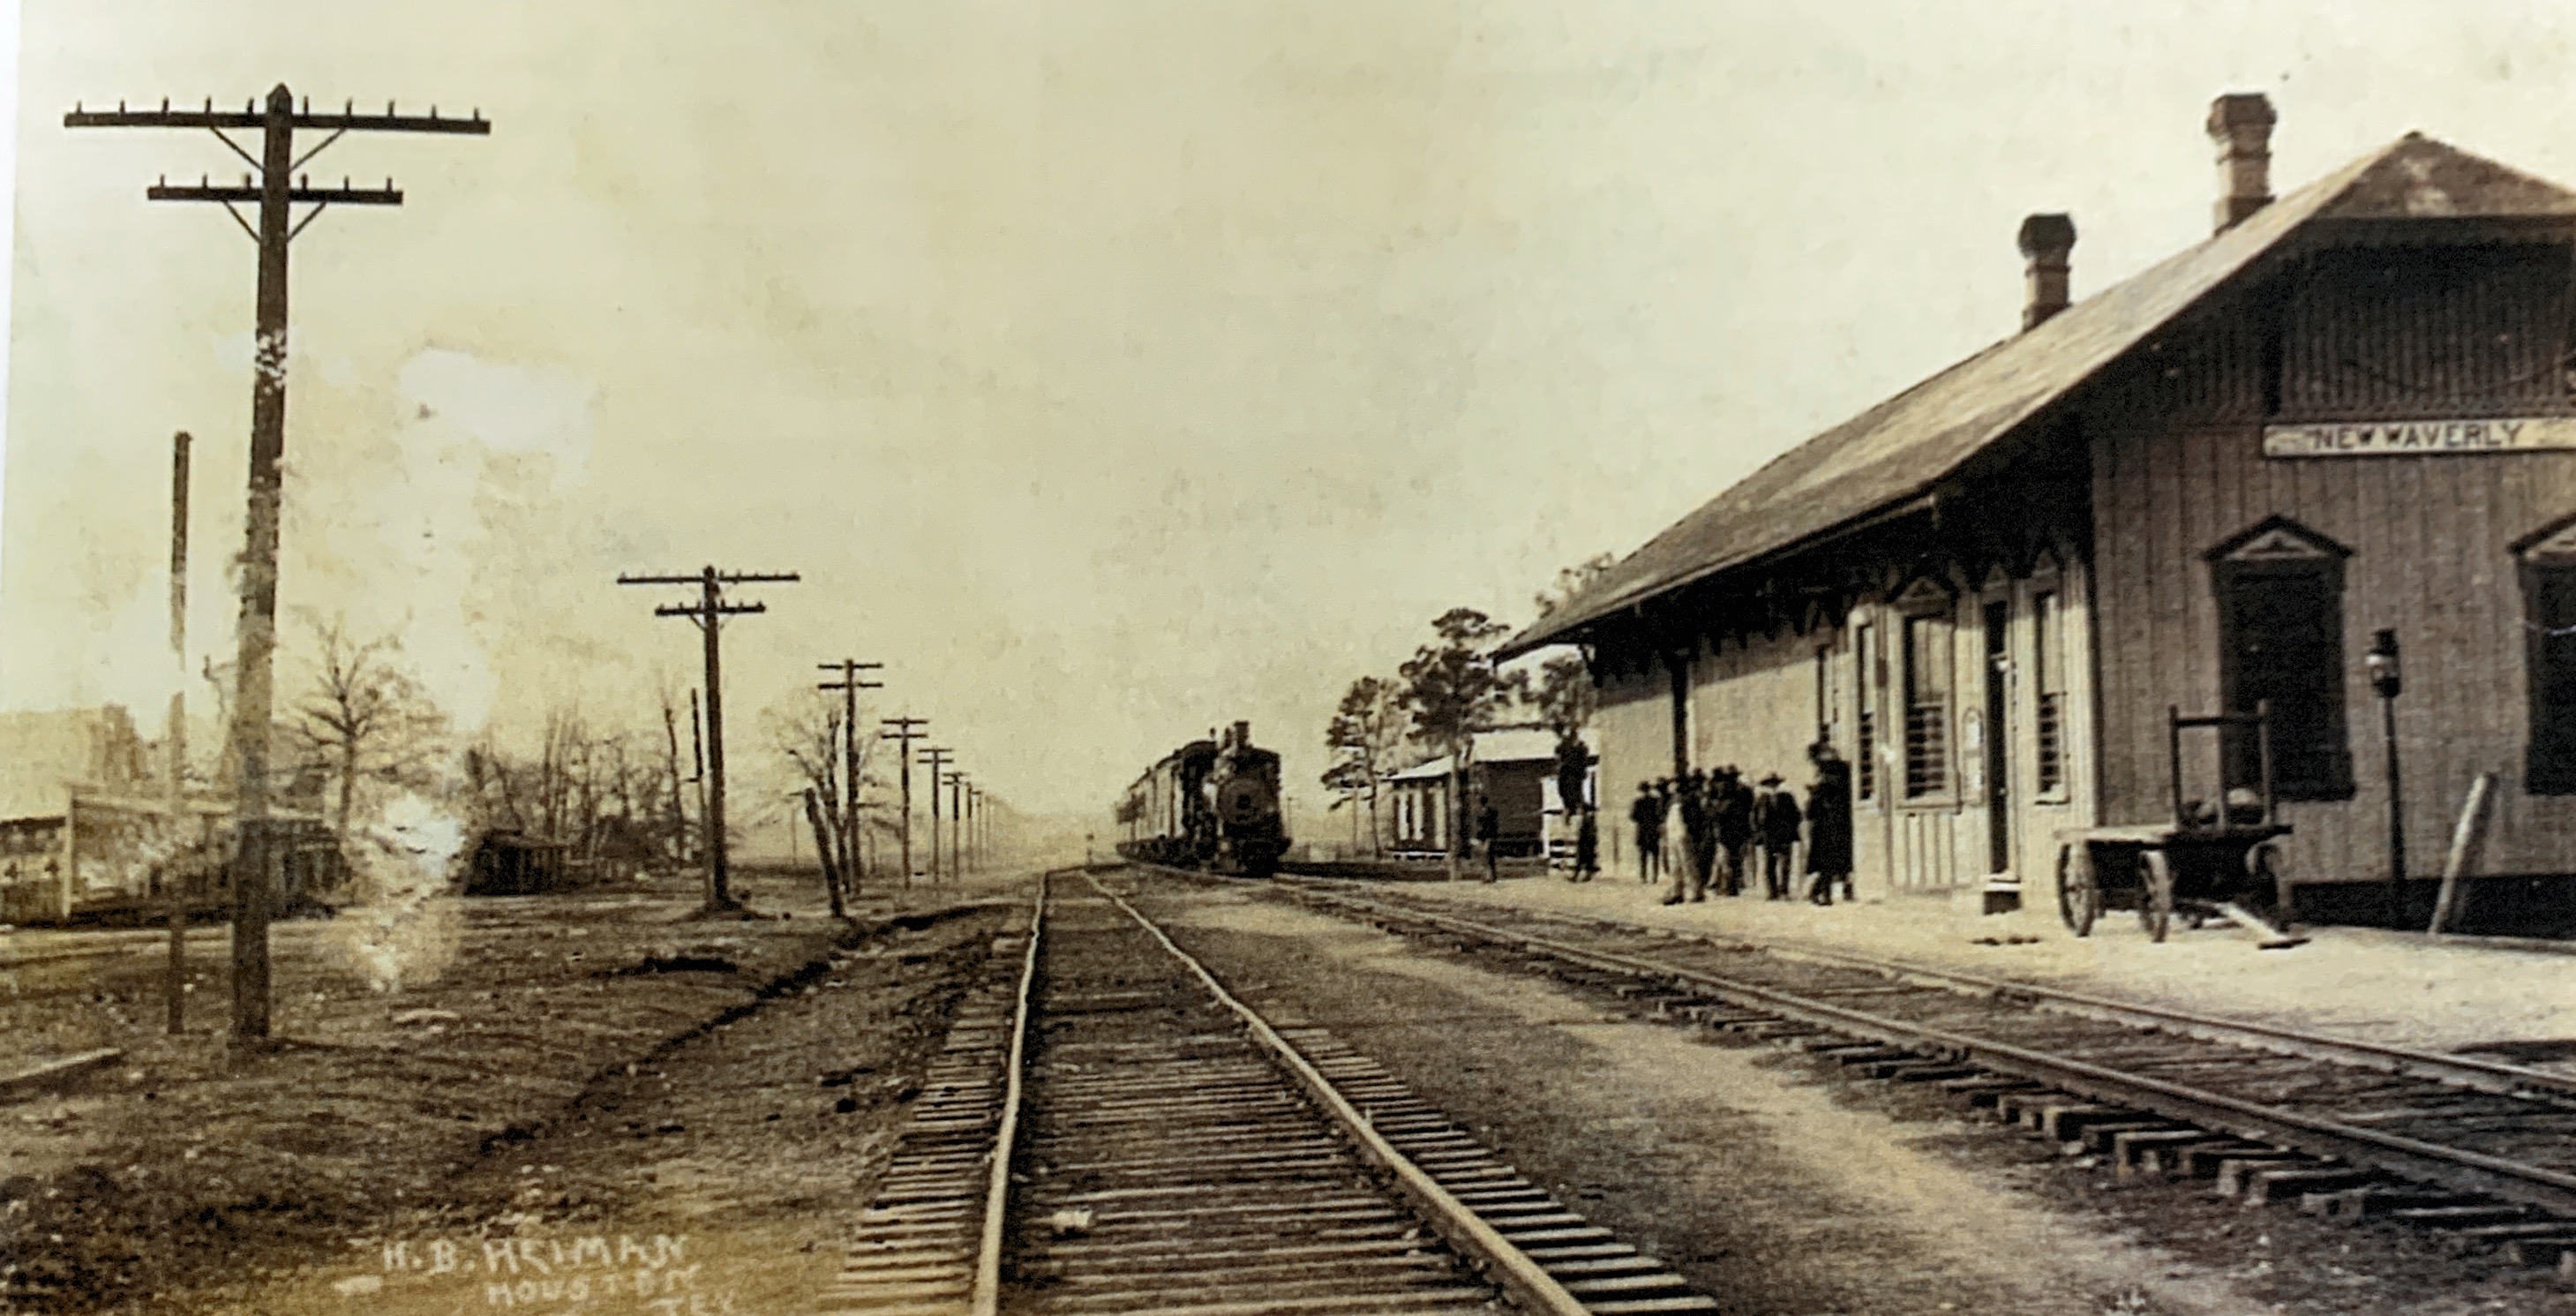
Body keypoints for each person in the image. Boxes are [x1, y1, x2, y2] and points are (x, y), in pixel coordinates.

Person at [1805, 741, 1855, 906]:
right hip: (1835, 824)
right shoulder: (1839, 774)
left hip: (1828, 825)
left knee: (1828, 863)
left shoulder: (1827, 778)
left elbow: (1812, 807)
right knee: (1832, 863)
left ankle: (1821, 893)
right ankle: (1823, 893)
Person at [1754, 772, 1803, 900]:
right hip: (1768, 835)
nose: (1772, 787)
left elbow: (1797, 815)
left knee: (1785, 864)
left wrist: (1791, 828)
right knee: (1770, 864)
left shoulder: (1787, 797)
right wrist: (1758, 832)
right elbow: (1754, 818)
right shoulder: (1761, 799)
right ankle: (1772, 891)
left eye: (1774, 784)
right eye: (1769, 784)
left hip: (1784, 834)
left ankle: (1784, 891)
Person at [1714, 766, 1754, 897]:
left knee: (1727, 859)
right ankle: (1733, 886)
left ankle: (1728, 886)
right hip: (1741, 828)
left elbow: (1718, 811)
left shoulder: (1723, 790)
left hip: (1726, 829)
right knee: (1736, 859)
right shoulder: (1745, 790)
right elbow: (1750, 808)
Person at [1630, 782, 1664, 885]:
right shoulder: (1655, 801)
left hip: (1643, 830)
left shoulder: (1638, 802)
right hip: (1653, 830)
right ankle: (1654, 877)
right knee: (1654, 855)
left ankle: (1643, 877)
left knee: (1643, 856)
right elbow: (1660, 816)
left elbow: (1633, 817)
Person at [1476, 795, 1501, 884]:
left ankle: (1491, 876)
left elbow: (1493, 825)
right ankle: (1486, 876)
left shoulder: (1491, 812)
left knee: (1489, 856)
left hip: (1489, 836)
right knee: (1484, 857)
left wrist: (1491, 836)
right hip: (1482, 837)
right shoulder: (1480, 812)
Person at [1574, 807, 1599, 883]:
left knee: (1583, 860)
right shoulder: (1589, 819)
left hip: (1586, 842)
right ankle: (1580, 875)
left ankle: (1580, 876)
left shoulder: (1587, 819)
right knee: (1585, 860)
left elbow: (1588, 833)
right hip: (1587, 842)